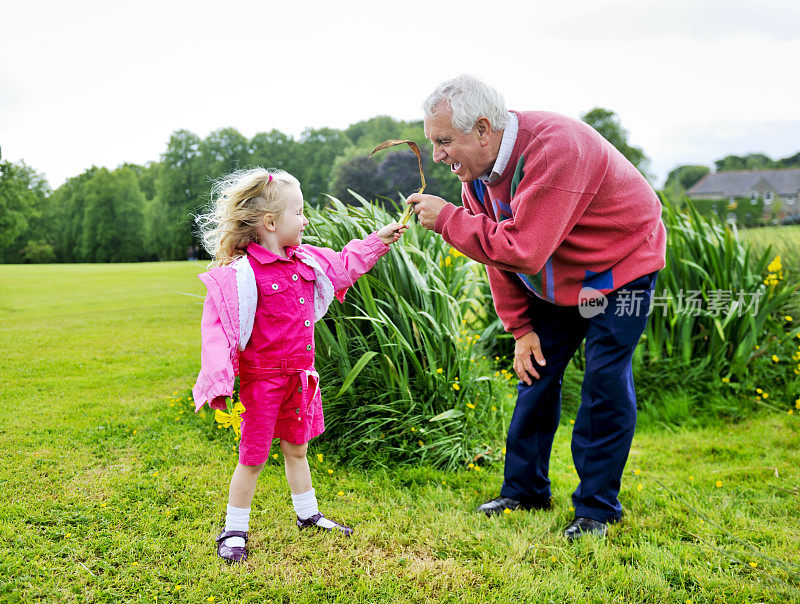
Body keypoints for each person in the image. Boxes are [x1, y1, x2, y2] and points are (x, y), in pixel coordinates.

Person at [407, 75, 666, 541]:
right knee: (535, 372)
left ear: (483, 129)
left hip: (621, 267)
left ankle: (598, 510)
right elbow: (496, 254)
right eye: (434, 143)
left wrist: (447, 220)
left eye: (444, 142)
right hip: (559, 277)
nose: (438, 155)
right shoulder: (480, 178)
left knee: (605, 380)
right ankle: (524, 491)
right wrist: (521, 328)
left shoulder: (558, 149)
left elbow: (521, 250)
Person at [192, 168, 406, 563]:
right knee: (252, 458)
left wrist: (377, 242)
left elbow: (344, 265)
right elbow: (218, 330)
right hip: (263, 384)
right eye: (299, 212)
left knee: (298, 450)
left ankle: (308, 516)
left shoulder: (306, 261)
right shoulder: (242, 276)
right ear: (271, 223)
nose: (305, 220)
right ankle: (234, 529)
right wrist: (218, 381)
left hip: (300, 381)